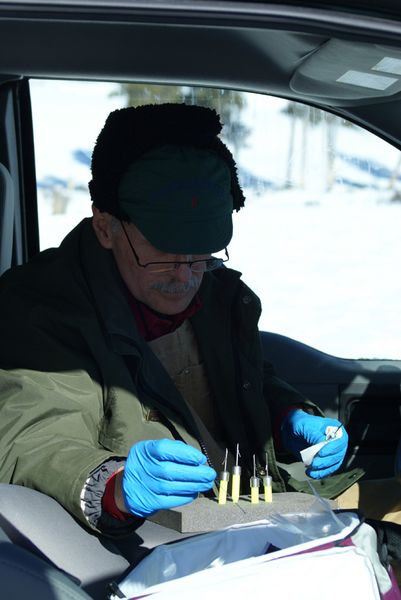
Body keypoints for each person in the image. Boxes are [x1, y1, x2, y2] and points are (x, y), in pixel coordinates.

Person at [0, 103, 371, 537]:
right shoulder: (37, 309)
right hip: (164, 540)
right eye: (164, 255)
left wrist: (286, 417)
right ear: (106, 227)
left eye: (201, 255)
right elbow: (32, 435)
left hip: (253, 508)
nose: (184, 276)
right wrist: (113, 486)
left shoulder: (215, 294)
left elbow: (245, 380)